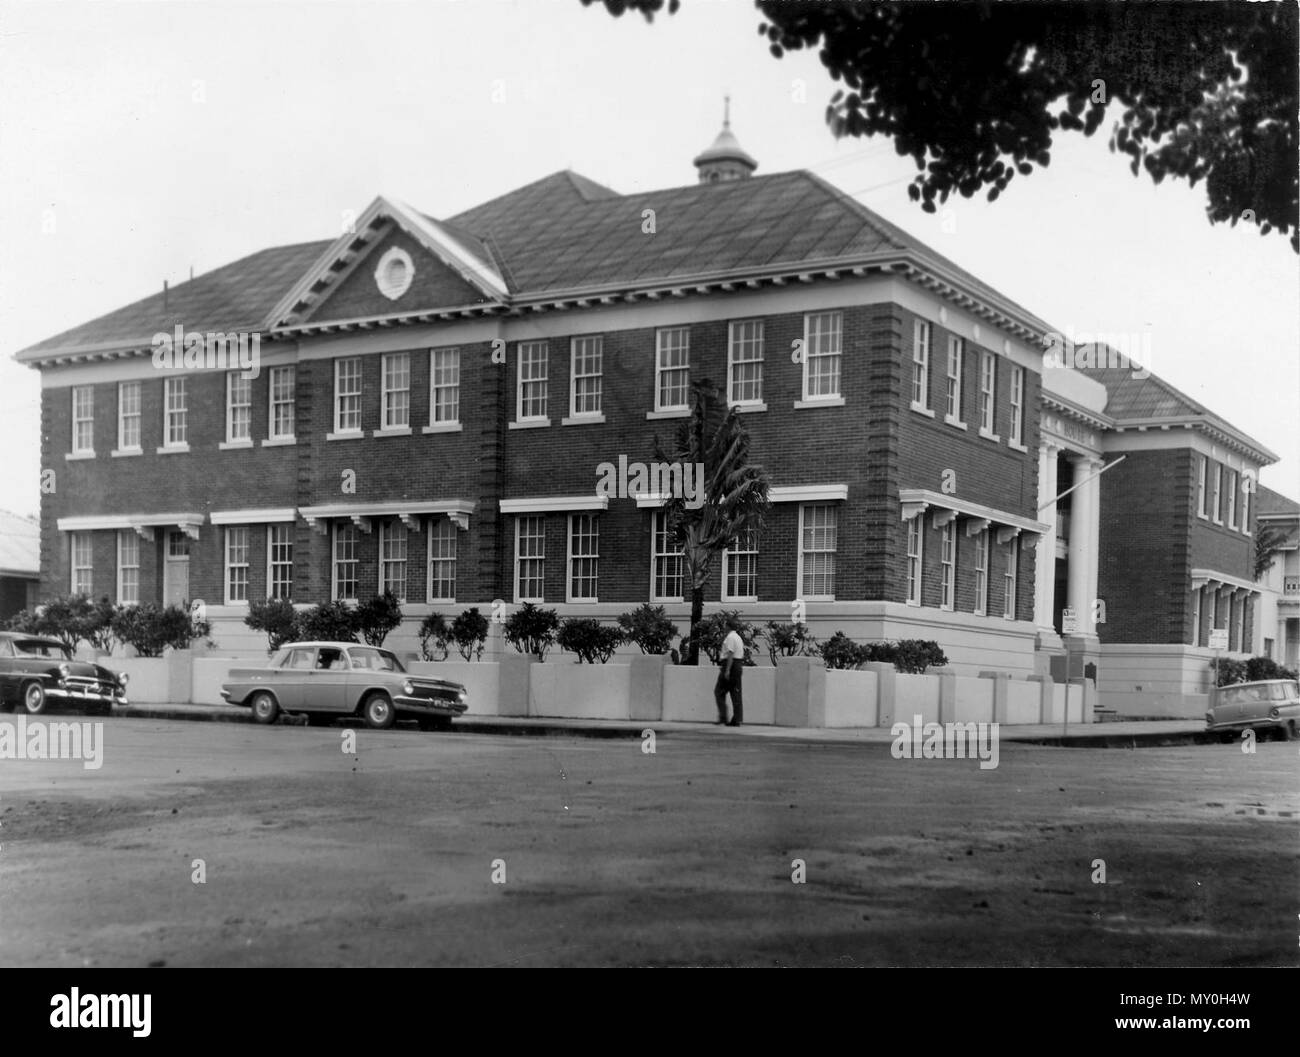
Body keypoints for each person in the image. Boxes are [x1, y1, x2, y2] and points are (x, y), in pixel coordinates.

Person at [714, 619, 745, 727]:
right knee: (735, 692)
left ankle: (723, 716)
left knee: (719, 691)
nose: (723, 628)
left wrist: (727, 670)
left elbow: (730, 653)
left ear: (728, 626)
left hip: (730, 665)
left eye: (725, 625)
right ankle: (737, 719)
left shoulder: (730, 637)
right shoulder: (738, 637)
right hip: (738, 665)